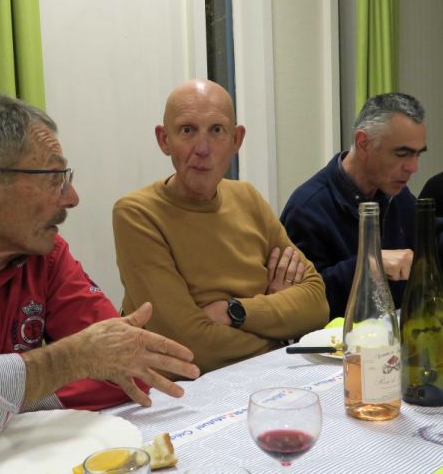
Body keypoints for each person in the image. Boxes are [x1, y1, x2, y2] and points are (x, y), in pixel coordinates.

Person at [0, 93, 200, 447]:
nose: (71, 197)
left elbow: (127, 368)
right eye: (53, 178)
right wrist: (65, 363)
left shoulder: (45, 256)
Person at [112, 79, 329, 376]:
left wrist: (234, 312)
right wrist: (278, 331)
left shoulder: (248, 198)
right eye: (187, 130)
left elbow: (317, 304)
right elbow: (188, 345)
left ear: (236, 140)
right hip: (187, 391)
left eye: (216, 130)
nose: (203, 148)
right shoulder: (137, 214)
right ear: (164, 140)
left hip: (264, 379)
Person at [281, 92, 438, 320]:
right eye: (402, 154)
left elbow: (431, 238)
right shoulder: (308, 208)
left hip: (394, 330)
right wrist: (370, 265)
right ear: (363, 143)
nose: (413, 167)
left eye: (417, 154)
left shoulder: (395, 194)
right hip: (339, 339)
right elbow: (301, 301)